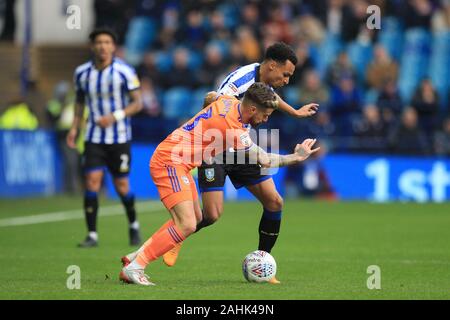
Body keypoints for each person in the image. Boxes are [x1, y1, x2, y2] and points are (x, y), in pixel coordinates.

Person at [119, 82, 320, 286]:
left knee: (197, 217)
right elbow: (265, 160)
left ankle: (136, 256)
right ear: (252, 109)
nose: (266, 119)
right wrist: (296, 157)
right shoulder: (234, 130)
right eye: (265, 114)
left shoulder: (228, 101)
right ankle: (135, 268)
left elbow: (210, 96)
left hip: (181, 162)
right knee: (187, 223)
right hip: (170, 161)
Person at [161, 42, 318, 285]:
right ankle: (178, 234)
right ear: (272, 66)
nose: (287, 80)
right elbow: (214, 102)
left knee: (275, 202)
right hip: (216, 149)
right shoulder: (241, 80)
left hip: (241, 146)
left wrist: (295, 112)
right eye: (285, 74)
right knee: (211, 215)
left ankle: (264, 262)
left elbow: (271, 97)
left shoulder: (264, 82)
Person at [66, 28, 143, 248]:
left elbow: (138, 103)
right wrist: (74, 128)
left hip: (119, 138)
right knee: (91, 183)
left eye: (107, 42)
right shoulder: (82, 73)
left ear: (113, 46)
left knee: (121, 186)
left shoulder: (124, 71)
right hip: (93, 137)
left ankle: (133, 225)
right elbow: (79, 103)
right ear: (93, 46)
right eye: (99, 42)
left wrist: (115, 116)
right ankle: (92, 234)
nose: (103, 46)